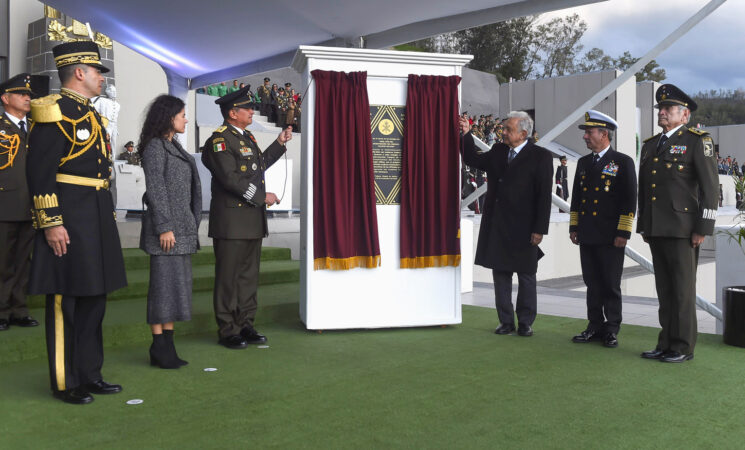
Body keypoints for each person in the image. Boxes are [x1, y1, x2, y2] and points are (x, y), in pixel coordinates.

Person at [26, 41, 127, 404]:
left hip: (96, 214)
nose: (102, 77)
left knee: (94, 297)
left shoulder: (92, 114)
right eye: (98, 71)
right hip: (68, 217)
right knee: (65, 301)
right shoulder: (54, 112)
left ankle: (90, 373)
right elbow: (40, 174)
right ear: (80, 72)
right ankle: (66, 381)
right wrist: (51, 222)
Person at [201, 86, 292, 349]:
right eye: (247, 108)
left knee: (248, 277)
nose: (252, 111)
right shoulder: (219, 140)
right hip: (231, 221)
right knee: (229, 277)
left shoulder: (246, 137)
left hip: (251, 219)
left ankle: (245, 323)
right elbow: (230, 179)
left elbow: (258, 165)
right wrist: (261, 197)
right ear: (232, 113)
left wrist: (279, 143)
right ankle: (228, 329)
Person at [637, 84, 718, 363]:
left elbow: (710, 190)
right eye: (660, 108)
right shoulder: (650, 145)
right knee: (665, 290)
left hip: (683, 230)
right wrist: (643, 225)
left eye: (668, 109)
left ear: (684, 115)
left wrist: (702, 229)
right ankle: (665, 342)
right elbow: (644, 189)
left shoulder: (697, 140)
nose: (662, 112)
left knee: (683, 291)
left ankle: (682, 347)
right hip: (656, 228)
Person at [460, 111, 553, 337]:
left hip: (525, 228)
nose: (503, 132)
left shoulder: (540, 156)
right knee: (500, 275)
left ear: (523, 133)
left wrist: (540, 229)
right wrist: (466, 135)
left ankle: (525, 322)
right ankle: (505, 321)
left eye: (508, 129)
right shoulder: (499, 150)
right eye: (503, 128)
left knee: (526, 275)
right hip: (498, 224)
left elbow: (544, 196)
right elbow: (474, 160)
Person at [138, 95, 202, 369]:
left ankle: (168, 345)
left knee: (175, 290)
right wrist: (165, 227)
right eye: (183, 115)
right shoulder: (155, 147)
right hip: (168, 232)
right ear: (169, 117)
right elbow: (156, 190)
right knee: (162, 290)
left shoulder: (170, 144)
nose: (186, 119)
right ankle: (159, 346)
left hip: (181, 230)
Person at [569, 110, 637, 348]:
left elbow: (630, 200)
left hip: (610, 236)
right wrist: (574, 225)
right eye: (586, 132)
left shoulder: (623, 162)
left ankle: (611, 328)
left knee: (610, 283)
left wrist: (623, 232)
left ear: (604, 134)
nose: (585, 137)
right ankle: (594, 325)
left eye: (589, 132)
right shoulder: (584, 163)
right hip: (587, 233)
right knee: (592, 282)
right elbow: (576, 197)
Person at [0, 73, 38, 331]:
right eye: (22, 94)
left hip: (31, 206)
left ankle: (18, 309)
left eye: (29, 95)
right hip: (4, 203)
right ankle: (1, 310)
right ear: (5, 98)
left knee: (24, 260)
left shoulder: (36, 128)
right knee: (3, 261)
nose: (27, 98)